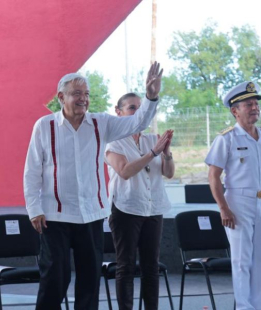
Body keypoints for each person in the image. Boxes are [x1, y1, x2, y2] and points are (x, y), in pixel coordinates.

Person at [24, 62, 164, 309]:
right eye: (77, 93)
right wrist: (34, 208)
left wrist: (151, 96)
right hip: (54, 216)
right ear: (61, 97)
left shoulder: (101, 123)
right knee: (55, 278)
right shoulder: (44, 127)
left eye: (86, 94)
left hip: (91, 215)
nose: (83, 99)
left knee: (89, 281)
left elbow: (137, 123)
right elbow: (32, 170)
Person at [205, 81, 261, 310]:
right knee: (242, 260)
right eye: (248, 104)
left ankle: (259, 306)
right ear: (235, 111)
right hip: (238, 202)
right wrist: (223, 207)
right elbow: (213, 176)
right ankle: (243, 307)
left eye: (256, 103)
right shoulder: (227, 138)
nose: (254, 107)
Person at [104, 92, 175, 310]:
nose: (137, 112)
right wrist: (153, 152)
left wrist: (167, 152)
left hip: (153, 207)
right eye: (132, 108)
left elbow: (169, 173)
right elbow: (125, 171)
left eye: (140, 108)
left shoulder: (152, 139)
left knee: (150, 266)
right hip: (126, 208)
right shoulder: (113, 142)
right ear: (119, 113)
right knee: (126, 266)